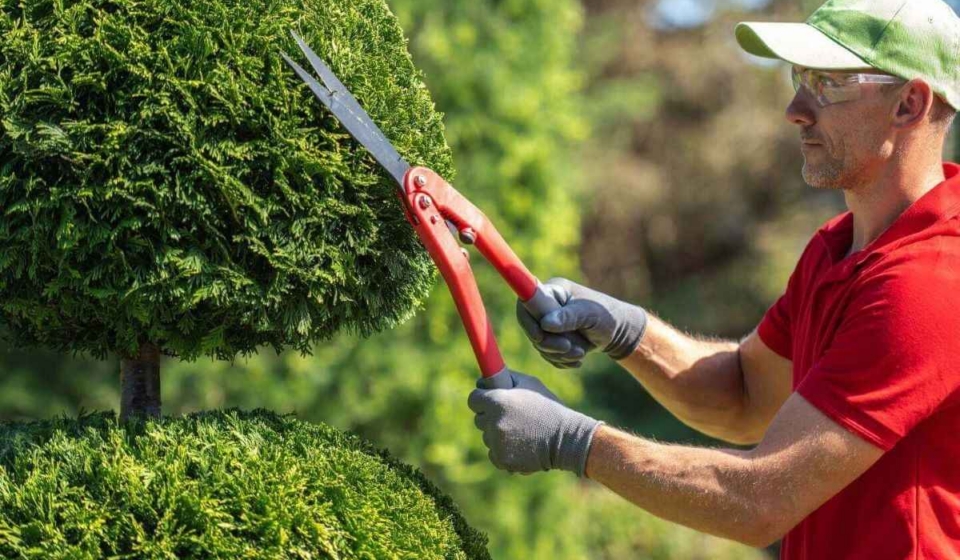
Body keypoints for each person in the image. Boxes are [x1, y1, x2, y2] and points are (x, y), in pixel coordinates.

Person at [467, 0, 960, 557]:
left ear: (909, 104)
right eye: (799, 77)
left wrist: (573, 441)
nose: (796, 108)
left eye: (827, 83)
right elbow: (744, 398)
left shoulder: (931, 281)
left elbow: (760, 499)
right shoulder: (837, 249)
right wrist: (624, 330)